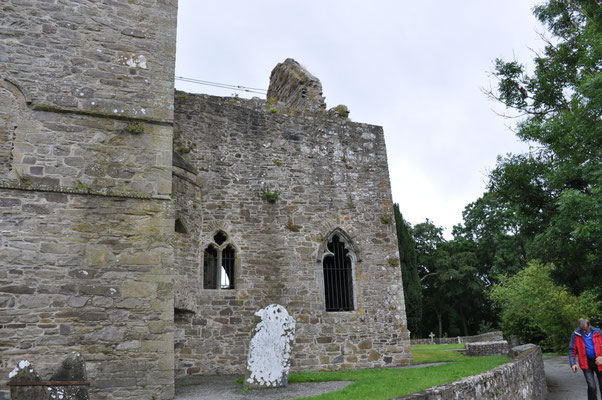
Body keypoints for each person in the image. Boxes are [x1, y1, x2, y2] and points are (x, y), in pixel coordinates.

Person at [569, 318, 602, 400]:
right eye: (582, 330)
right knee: (592, 387)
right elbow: (572, 349)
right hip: (586, 362)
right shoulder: (576, 334)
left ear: (589, 326)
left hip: (599, 362)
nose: (584, 331)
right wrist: (573, 363)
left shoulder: (598, 332)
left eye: (586, 329)